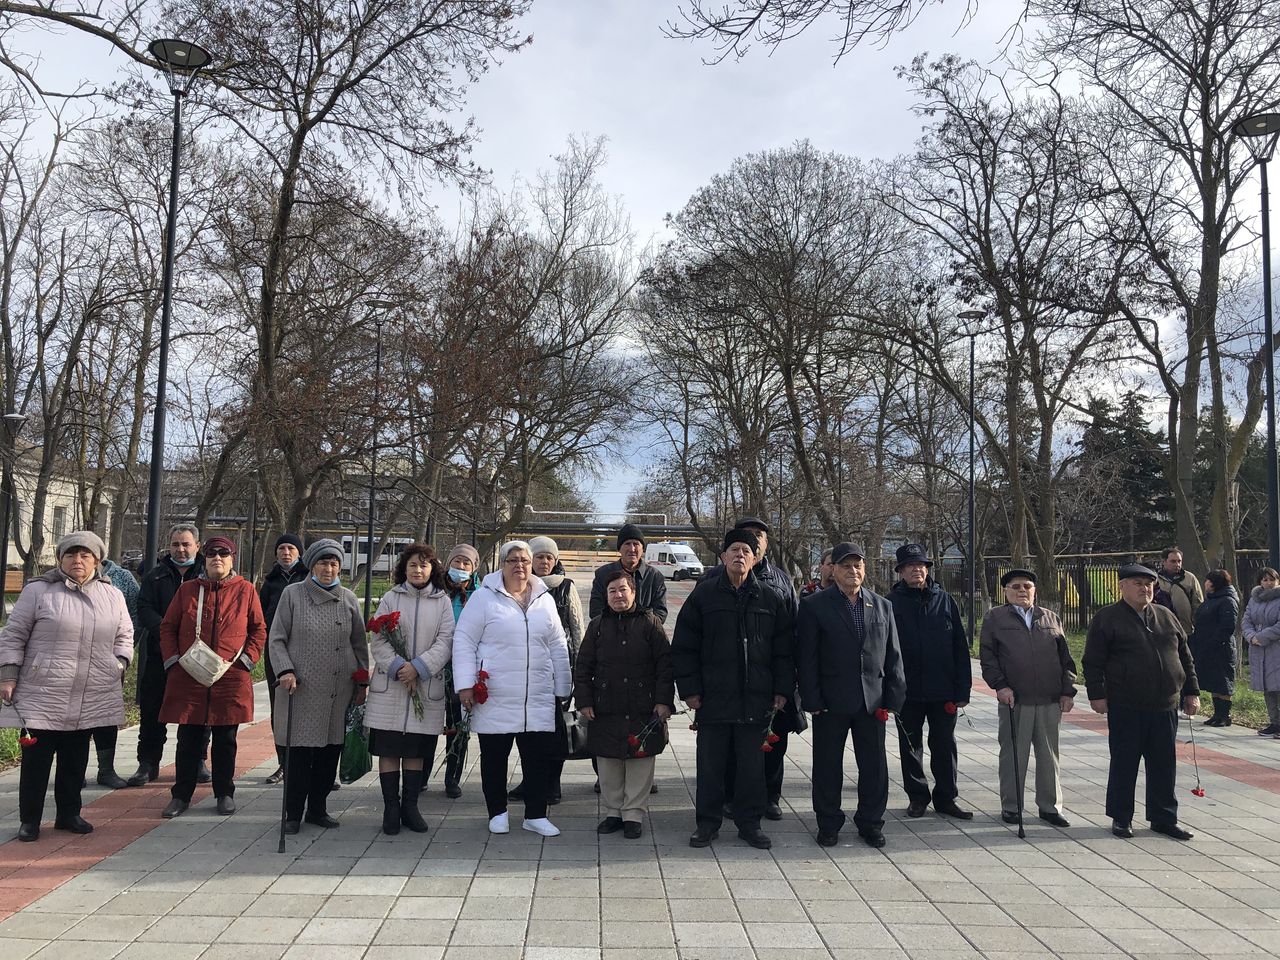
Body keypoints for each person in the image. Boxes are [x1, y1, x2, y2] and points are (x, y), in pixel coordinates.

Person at [0, 532, 132, 842]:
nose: (78, 561)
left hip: (91, 690)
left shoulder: (112, 595)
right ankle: (29, 820)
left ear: (97, 562)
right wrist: (8, 675)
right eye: (71, 555)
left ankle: (69, 814)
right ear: (61, 559)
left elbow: (125, 635)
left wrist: (119, 663)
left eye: (86, 555)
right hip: (42, 692)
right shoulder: (39, 591)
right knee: (36, 761)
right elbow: (13, 635)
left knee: (75, 759)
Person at [672, 528, 795, 850]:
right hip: (713, 698)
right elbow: (685, 646)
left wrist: (782, 689)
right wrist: (690, 690)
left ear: (755, 559)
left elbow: (784, 650)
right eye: (734, 550)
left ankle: (749, 823)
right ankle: (707, 823)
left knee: (751, 768)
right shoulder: (704, 595)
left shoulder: (771, 598)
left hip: (756, 699)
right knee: (711, 766)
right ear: (723, 557)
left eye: (746, 551)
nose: (740, 555)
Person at [452, 540, 572, 838]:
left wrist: (563, 684)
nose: (520, 566)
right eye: (513, 560)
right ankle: (498, 812)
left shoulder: (544, 598)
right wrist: (465, 685)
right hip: (496, 694)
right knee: (494, 758)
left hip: (537, 695)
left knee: (538, 760)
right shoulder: (484, 598)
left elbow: (557, 643)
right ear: (502, 565)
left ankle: (535, 814)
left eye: (525, 561)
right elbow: (464, 641)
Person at [797, 542, 906, 848]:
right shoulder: (815, 605)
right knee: (828, 765)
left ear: (864, 570)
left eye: (858, 566)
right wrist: (811, 698)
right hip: (831, 701)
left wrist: (893, 697)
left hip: (872, 701)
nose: (853, 571)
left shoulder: (882, 606)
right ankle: (828, 823)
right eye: (846, 566)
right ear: (834, 570)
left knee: (874, 767)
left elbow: (893, 654)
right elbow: (807, 657)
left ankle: (871, 822)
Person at [1083, 562, 1199, 841]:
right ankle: (1121, 818)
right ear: (1122, 586)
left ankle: (1163, 817)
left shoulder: (1166, 616)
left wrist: (1192, 691)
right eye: (1137, 583)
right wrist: (1096, 694)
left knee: (1163, 765)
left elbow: (1185, 656)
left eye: (1148, 584)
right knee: (1125, 763)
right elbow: (1093, 661)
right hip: (1126, 704)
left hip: (1165, 705)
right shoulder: (1107, 618)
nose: (1144, 589)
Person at [158, 536, 266, 819]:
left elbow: (258, 629)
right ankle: (181, 795)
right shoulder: (188, 590)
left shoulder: (245, 590)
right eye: (211, 553)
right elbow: (168, 627)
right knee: (188, 737)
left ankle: (224, 793)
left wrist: (246, 661)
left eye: (224, 553)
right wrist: (173, 661)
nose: (217, 557)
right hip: (190, 675)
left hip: (230, 675)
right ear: (204, 558)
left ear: (232, 558)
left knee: (226, 739)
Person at [269, 538, 370, 833]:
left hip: (338, 690)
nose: (329, 568)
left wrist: (362, 681)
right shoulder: (293, 594)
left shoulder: (348, 598)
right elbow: (276, 639)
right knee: (299, 755)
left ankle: (318, 809)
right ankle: (292, 813)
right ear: (312, 565)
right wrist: (285, 670)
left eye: (334, 563)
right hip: (300, 688)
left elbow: (359, 644)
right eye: (323, 562)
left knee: (328, 754)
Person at [575, 568, 674, 839]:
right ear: (606, 596)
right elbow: (583, 666)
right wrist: (583, 700)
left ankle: (633, 814)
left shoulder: (649, 622)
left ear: (633, 592)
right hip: (605, 706)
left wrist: (664, 701)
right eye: (612, 591)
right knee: (608, 763)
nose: (618, 595)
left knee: (639, 762)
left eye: (623, 590)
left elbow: (665, 665)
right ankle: (613, 812)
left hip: (644, 706)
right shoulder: (597, 625)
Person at [979, 569, 1077, 828]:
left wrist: (1068, 690)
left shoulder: (1050, 618)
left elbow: (1066, 659)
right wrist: (1000, 686)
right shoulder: (995, 618)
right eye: (1015, 587)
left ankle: (1050, 807)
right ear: (1006, 591)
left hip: (1048, 699)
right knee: (1013, 754)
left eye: (1027, 586)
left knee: (1049, 755)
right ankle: (1012, 806)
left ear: (1035, 590)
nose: (1022, 590)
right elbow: (988, 658)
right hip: (1015, 699)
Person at [367, 544, 454, 835]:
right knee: (389, 748)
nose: (418, 570)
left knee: (416, 749)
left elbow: (446, 641)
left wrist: (418, 666)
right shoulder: (391, 598)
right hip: (391, 687)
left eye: (424, 565)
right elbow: (378, 640)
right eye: (413, 565)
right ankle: (391, 807)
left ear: (433, 569)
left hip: (424, 685)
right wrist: (399, 669)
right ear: (404, 568)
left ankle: (410, 806)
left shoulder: (442, 601)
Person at [720, 517, 801, 821]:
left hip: (769, 678)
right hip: (729, 679)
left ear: (765, 544)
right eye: (746, 535)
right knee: (730, 744)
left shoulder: (780, 580)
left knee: (773, 741)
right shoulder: (716, 579)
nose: (753, 540)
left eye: (759, 536)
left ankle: (770, 796)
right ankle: (730, 796)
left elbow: (792, 631)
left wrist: (787, 681)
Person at [886, 543, 973, 820]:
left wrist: (963, 688)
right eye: (911, 566)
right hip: (907, 691)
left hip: (943, 689)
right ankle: (917, 797)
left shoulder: (945, 600)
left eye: (922, 565)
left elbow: (960, 646)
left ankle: (946, 797)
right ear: (900, 571)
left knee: (945, 745)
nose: (917, 569)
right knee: (911, 746)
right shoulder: (890, 603)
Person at [129, 522, 209, 787]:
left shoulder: (207, 575)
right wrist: (166, 630)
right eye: (176, 544)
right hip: (160, 654)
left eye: (186, 544)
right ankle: (148, 763)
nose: (181, 549)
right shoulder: (156, 575)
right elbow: (144, 607)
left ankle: (197, 761)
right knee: (153, 710)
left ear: (197, 546)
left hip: (197, 655)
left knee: (198, 713)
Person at [509, 536, 584, 805]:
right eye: (538, 557)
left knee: (556, 730)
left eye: (548, 557)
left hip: (559, 670)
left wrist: (580, 669)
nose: (543, 562)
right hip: (527, 671)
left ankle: (552, 784)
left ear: (555, 561)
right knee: (527, 730)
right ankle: (531, 781)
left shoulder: (566, 587)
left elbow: (578, 629)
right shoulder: (520, 587)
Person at [258, 533, 307, 783]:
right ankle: (283, 763)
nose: (286, 553)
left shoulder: (308, 577)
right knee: (281, 707)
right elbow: (260, 614)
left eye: (291, 548)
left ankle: (311, 765)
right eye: (281, 549)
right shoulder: (271, 581)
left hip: (305, 648)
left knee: (309, 706)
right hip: (276, 649)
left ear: (300, 552)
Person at [88, 556, 140, 789]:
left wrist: (122, 656)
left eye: (87, 554)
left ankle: (106, 770)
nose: (80, 559)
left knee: (106, 717)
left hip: (108, 664)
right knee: (73, 721)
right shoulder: (58, 583)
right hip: (71, 665)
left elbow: (133, 621)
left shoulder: (123, 580)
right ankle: (73, 769)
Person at [442, 543, 482, 798]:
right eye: (456, 562)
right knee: (430, 722)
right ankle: (421, 774)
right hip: (437, 666)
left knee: (458, 725)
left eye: (466, 563)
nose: (460, 567)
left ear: (474, 567)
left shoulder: (480, 594)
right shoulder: (437, 591)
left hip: (464, 668)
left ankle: (452, 776)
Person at [589, 524, 668, 623]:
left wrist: (640, 628)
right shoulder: (602, 574)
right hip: (611, 634)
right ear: (619, 549)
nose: (632, 549)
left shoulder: (655, 576)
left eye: (636, 544)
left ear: (642, 548)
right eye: (627, 543)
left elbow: (660, 612)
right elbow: (595, 610)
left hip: (644, 635)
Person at [1191, 569, 1239, 728]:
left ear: (1214, 583)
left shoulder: (1227, 600)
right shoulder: (1210, 600)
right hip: (1207, 646)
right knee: (1214, 681)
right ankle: (1217, 714)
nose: (1205, 583)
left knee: (1223, 682)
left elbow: (1227, 625)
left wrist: (1214, 641)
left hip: (1221, 648)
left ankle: (1225, 715)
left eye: (1208, 580)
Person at [1243, 567, 1280, 738]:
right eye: (1265, 580)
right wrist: (1252, 637)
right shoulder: (1254, 600)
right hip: (1259, 649)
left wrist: (1262, 636)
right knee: (1268, 688)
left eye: (1271, 579)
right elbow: (1246, 621)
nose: (1268, 583)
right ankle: (1274, 723)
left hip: (1275, 647)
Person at [1156, 546, 1203, 637]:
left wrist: (1198, 625)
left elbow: (1198, 603)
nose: (1177, 564)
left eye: (1179, 561)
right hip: (1163, 631)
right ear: (1164, 562)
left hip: (1186, 630)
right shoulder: (1156, 580)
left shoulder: (1190, 578)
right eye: (1173, 561)